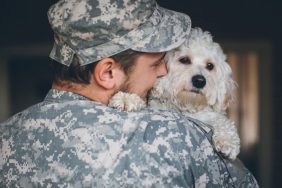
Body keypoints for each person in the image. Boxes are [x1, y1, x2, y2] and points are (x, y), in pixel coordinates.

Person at [0, 0, 258, 187]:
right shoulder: (182, 136)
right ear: (108, 73)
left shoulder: (4, 138)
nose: (161, 72)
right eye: (156, 63)